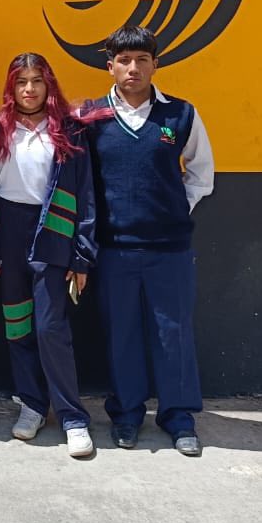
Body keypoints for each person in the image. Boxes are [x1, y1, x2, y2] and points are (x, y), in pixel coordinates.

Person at [86, 26, 214, 457]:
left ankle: (178, 418)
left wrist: (174, 210)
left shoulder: (181, 114)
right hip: (114, 248)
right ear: (111, 66)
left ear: (155, 64)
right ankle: (125, 415)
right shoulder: (91, 118)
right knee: (121, 334)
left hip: (169, 249)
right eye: (124, 60)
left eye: (142, 59)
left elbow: (201, 173)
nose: (133, 68)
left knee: (172, 334)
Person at [0, 53, 105, 459]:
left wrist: (82, 254)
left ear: (48, 84)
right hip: (9, 232)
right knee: (18, 326)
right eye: (21, 82)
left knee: (51, 327)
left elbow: (85, 194)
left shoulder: (69, 129)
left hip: (54, 233)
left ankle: (72, 417)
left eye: (37, 80)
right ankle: (32, 404)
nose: (29, 89)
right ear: (11, 87)